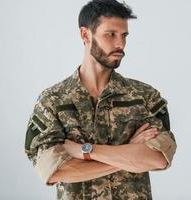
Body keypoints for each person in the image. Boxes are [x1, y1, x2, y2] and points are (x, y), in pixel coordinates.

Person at [25, 0, 177, 199]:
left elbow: (158, 159)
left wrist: (85, 151)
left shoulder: (144, 96)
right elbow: (54, 171)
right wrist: (129, 152)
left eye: (124, 35)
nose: (120, 44)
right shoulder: (52, 101)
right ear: (85, 35)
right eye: (110, 34)